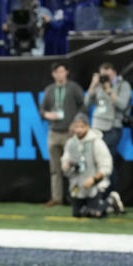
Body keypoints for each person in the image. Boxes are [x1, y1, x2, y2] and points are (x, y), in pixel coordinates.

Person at [39, 61, 86, 206]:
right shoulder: (50, 90)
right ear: (53, 74)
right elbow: (42, 109)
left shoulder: (73, 88)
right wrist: (47, 115)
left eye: (62, 71)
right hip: (53, 132)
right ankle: (57, 198)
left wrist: (76, 124)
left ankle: (75, 196)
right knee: (55, 169)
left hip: (69, 133)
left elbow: (83, 106)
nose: (60, 74)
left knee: (72, 166)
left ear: (67, 72)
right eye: (57, 72)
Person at [86, 62, 130, 211]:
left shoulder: (123, 85)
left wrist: (109, 90)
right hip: (97, 128)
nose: (105, 78)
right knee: (97, 163)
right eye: (102, 74)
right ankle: (102, 197)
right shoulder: (97, 86)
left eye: (108, 74)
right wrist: (93, 86)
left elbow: (123, 105)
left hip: (113, 127)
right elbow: (86, 104)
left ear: (114, 72)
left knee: (108, 163)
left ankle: (112, 196)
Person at [62, 114, 114, 218]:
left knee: (95, 214)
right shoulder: (71, 143)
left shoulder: (96, 142)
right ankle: (88, 207)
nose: (79, 130)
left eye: (82, 126)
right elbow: (65, 161)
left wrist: (94, 179)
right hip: (77, 186)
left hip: (94, 185)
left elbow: (106, 165)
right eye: (76, 126)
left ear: (88, 127)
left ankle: (111, 201)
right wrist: (67, 166)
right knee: (77, 214)